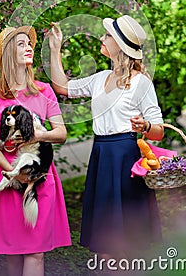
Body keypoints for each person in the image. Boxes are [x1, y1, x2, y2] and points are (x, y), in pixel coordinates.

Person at [48, 15, 164, 261]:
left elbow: (159, 130)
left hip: (126, 159)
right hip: (101, 156)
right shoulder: (100, 78)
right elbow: (62, 87)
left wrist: (146, 126)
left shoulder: (141, 83)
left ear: (120, 46)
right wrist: (55, 49)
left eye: (108, 35)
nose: (102, 38)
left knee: (128, 240)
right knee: (104, 242)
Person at [0, 26, 71, 276]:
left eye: (29, 43)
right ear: (6, 54)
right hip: (5, 176)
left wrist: (38, 135)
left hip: (40, 177)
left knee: (35, 252)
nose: (29, 47)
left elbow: (60, 133)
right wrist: (14, 174)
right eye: (20, 44)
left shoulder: (44, 90)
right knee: (14, 253)